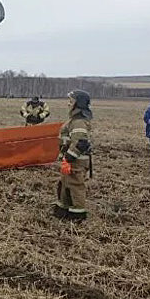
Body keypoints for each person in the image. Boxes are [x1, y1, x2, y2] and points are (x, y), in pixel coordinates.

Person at [53, 90, 92, 222]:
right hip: (69, 160)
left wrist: (70, 157)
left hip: (76, 161)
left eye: (71, 101)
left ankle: (77, 214)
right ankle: (64, 209)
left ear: (78, 104)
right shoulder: (73, 120)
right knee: (65, 184)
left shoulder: (78, 122)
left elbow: (81, 143)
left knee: (75, 185)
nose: (68, 104)